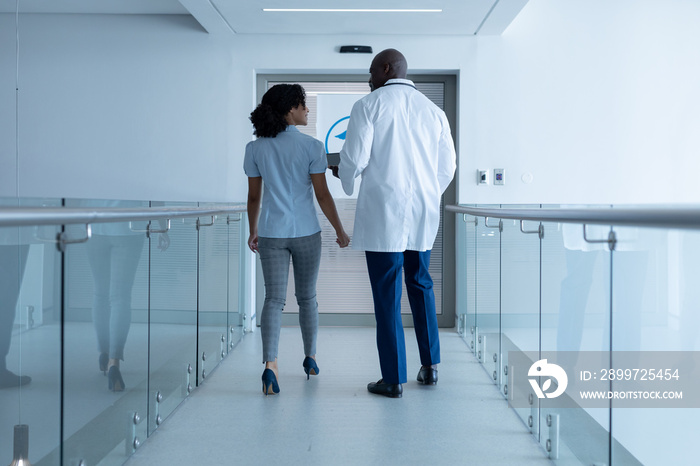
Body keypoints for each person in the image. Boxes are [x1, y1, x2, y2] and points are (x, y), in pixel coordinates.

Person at [336, 49, 456, 398]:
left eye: (372, 70)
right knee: (420, 284)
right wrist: (427, 192)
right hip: (422, 212)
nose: (369, 77)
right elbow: (447, 166)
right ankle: (431, 367)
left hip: (383, 212)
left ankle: (393, 379)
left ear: (386, 69)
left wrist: (344, 176)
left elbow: (355, 158)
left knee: (387, 295)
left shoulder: (368, 106)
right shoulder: (434, 111)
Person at [245, 83, 350, 396]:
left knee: (273, 300)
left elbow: (254, 197)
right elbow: (322, 194)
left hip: (271, 233)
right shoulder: (313, 147)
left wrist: (253, 229)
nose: (307, 110)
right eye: (303, 105)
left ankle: (270, 365)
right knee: (307, 298)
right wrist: (340, 230)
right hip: (305, 232)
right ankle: (310, 357)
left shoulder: (255, 148)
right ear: (290, 109)